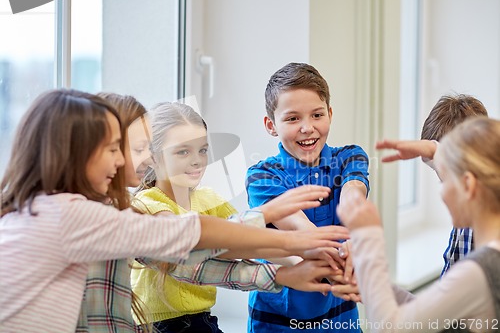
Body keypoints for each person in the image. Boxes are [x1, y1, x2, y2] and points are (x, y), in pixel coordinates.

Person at [0, 89, 349, 332]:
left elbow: (188, 261)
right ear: (73, 151)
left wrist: (284, 270)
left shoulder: (93, 212)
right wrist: (290, 236)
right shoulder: (71, 215)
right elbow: (189, 236)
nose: (134, 160)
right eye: (121, 149)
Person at [130, 101, 345, 333]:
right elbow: (188, 256)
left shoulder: (209, 199)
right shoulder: (147, 204)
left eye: (202, 150)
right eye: (183, 151)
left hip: (203, 322)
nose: (197, 160)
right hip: (156, 327)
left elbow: (248, 241)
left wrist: (317, 267)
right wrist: (271, 219)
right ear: (152, 156)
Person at [337, 116, 500, 332]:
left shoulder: (479, 271)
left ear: (468, 185)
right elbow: (435, 316)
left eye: (444, 180)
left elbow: (390, 328)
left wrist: (368, 237)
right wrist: (376, 288)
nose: (442, 192)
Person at [246, 62, 370, 332]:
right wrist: (344, 257)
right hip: (277, 320)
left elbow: (353, 198)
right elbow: (305, 234)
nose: (307, 128)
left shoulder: (351, 157)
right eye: (292, 119)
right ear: (271, 125)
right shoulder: (261, 175)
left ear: (330, 114)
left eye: (317, 115)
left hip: (340, 317)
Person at [376, 94, 488, 276]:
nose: (443, 192)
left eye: (447, 178)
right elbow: (444, 300)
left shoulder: (486, 239)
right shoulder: (463, 226)